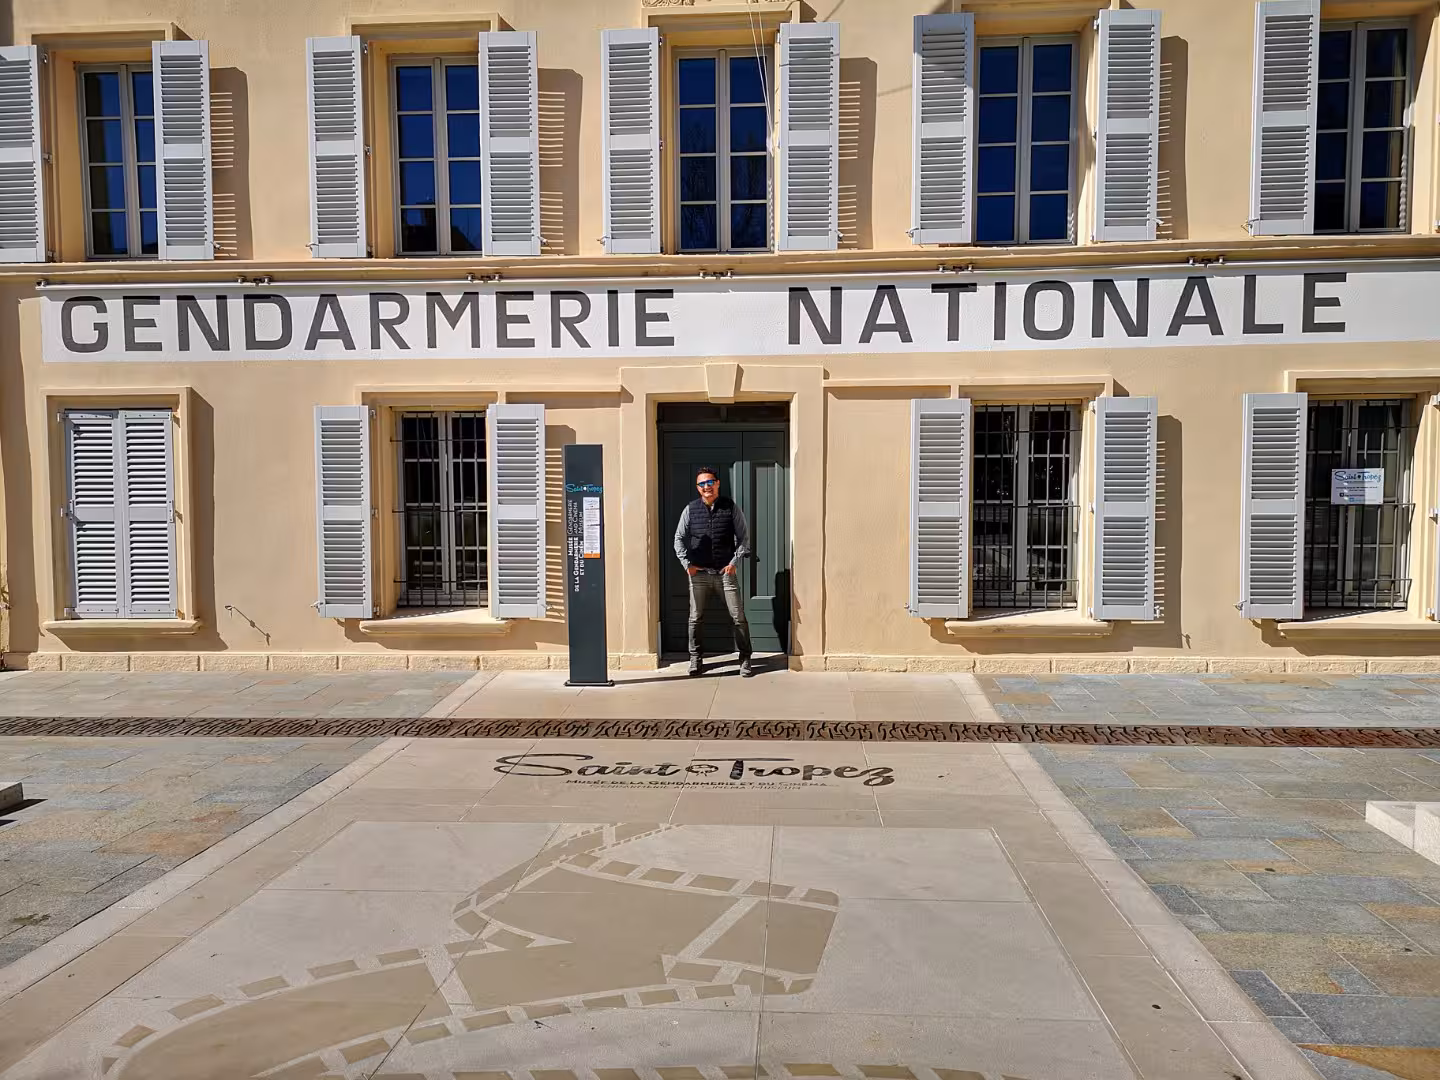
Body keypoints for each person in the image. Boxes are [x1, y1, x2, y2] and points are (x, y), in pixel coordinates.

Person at [673, 465, 754, 677]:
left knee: (738, 617)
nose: (706, 487)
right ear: (697, 487)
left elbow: (744, 538)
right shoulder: (690, 510)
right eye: (702, 484)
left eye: (710, 482)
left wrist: (734, 561)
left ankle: (745, 659)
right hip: (698, 575)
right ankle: (695, 659)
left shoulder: (730, 507)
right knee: (695, 618)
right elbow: (678, 539)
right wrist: (686, 564)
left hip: (725, 574)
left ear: (717, 483)